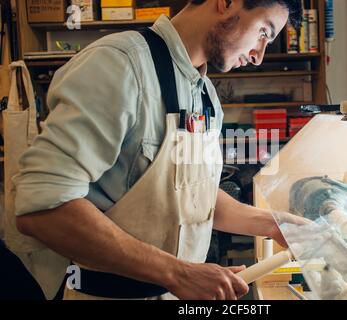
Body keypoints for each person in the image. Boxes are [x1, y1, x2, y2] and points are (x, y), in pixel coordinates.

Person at [11, 0, 307, 300]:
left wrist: (275, 225)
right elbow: (41, 207)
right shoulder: (120, 64)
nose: (259, 55)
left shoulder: (205, 96)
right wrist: (178, 273)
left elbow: (190, 197)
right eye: (263, 33)